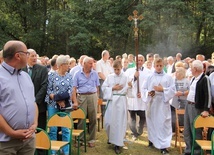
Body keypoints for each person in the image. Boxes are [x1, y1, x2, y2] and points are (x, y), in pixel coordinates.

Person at [0, 40, 38, 155]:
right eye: (26, 53)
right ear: (18, 56)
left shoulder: (25, 76)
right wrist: (12, 132)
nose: (28, 56)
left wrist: (35, 124)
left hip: (28, 141)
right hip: (6, 143)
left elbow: (33, 102)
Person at [142, 58, 175, 154]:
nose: (159, 67)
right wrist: (148, 93)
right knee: (152, 123)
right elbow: (144, 88)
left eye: (161, 66)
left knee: (163, 124)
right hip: (152, 103)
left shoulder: (168, 77)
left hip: (163, 104)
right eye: (157, 66)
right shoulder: (149, 77)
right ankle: (152, 140)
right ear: (154, 66)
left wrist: (163, 89)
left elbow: (173, 90)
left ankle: (163, 146)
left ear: (163, 66)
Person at [102, 60, 132, 154]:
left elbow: (130, 91)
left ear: (121, 67)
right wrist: (113, 88)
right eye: (115, 69)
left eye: (118, 69)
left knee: (119, 123)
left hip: (121, 102)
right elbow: (103, 88)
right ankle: (111, 138)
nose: (117, 71)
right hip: (112, 102)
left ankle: (117, 144)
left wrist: (131, 86)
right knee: (109, 123)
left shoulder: (126, 77)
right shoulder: (110, 77)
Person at [45, 55, 73, 155]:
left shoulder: (69, 76)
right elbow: (49, 90)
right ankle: (53, 152)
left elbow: (70, 90)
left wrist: (63, 101)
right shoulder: (51, 75)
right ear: (61, 65)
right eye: (67, 64)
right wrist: (57, 100)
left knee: (66, 129)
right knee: (53, 129)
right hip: (53, 105)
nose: (69, 66)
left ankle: (65, 152)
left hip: (65, 105)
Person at [183, 60, 211, 155]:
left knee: (195, 129)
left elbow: (208, 95)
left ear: (195, 69)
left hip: (196, 107)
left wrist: (206, 109)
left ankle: (196, 152)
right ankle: (188, 150)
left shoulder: (204, 79)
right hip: (188, 104)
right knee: (187, 128)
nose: (190, 69)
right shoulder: (193, 79)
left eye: (191, 68)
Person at [72, 56, 100, 147]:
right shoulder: (77, 74)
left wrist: (97, 98)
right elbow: (74, 88)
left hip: (92, 95)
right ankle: (80, 140)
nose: (92, 65)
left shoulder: (95, 74)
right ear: (84, 64)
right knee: (81, 118)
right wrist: (75, 101)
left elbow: (97, 87)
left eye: (92, 63)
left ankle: (92, 139)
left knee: (93, 118)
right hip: (82, 96)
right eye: (90, 63)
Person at [125, 54, 151, 141]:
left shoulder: (148, 72)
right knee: (132, 116)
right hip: (132, 97)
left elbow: (150, 85)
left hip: (142, 98)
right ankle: (134, 133)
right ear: (135, 61)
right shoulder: (129, 71)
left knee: (143, 116)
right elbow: (126, 82)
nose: (139, 62)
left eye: (141, 60)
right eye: (138, 60)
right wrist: (134, 77)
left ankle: (139, 129)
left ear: (143, 61)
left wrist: (144, 93)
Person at [22, 49, 48, 131]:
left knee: (40, 129)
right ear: (26, 57)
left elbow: (44, 86)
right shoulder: (20, 69)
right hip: (24, 105)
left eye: (35, 56)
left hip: (39, 105)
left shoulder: (42, 69)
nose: (34, 58)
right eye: (32, 56)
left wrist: (35, 101)